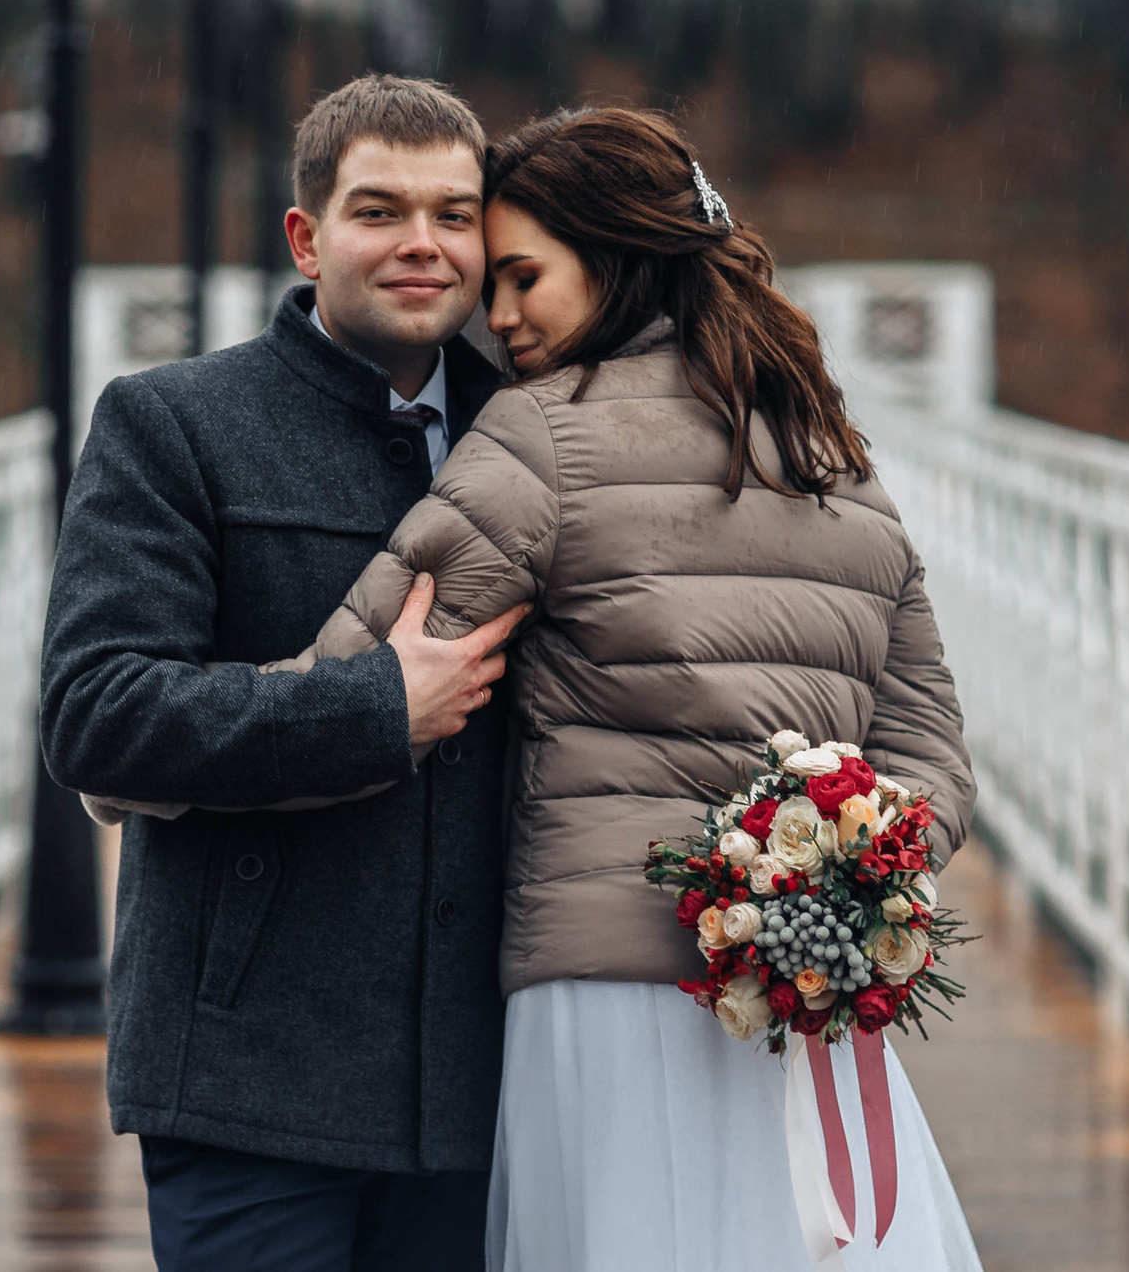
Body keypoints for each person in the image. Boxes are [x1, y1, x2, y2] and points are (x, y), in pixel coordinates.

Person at [283, 104, 983, 1269]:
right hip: (800, 998)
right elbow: (933, 757)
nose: (497, 320)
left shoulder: (538, 434)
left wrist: (158, 758)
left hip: (602, 1004)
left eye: (522, 278)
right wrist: (839, 883)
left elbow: (356, 670)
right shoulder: (834, 457)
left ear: (613, 258)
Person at [40, 75, 532, 1272]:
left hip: (487, 1075)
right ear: (307, 238)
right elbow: (97, 714)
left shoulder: (543, 431)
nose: (422, 242)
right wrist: (371, 708)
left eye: (454, 214)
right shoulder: (171, 422)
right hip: (245, 1061)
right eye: (380, 211)